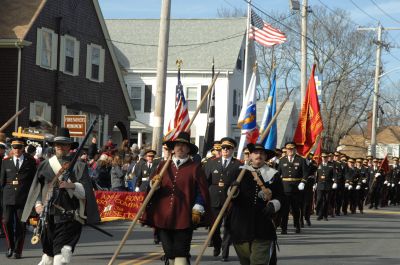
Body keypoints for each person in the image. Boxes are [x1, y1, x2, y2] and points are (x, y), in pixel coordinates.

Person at [21, 128, 100, 265]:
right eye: (57, 144)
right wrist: (38, 203)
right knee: (48, 252)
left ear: (69, 147)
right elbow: (37, 188)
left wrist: (72, 186)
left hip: (69, 215)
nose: (60, 147)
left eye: (63, 144)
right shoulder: (45, 164)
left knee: (60, 254)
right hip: (48, 213)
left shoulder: (80, 166)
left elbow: (86, 192)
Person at [141, 132, 211, 265]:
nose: (180, 148)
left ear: (188, 149)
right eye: (178, 145)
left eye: (184, 146)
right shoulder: (162, 166)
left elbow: (201, 191)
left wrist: (198, 206)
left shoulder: (195, 168)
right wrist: (153, 184)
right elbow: (151, 189)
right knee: (169, 252)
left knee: (181, 252)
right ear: (173, 148)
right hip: (163, 216)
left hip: (184, 216)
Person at [228, 143, 285, 265]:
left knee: (258, 261)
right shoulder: (238, 172)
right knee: (246, 261)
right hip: (240, 225)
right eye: (256, 153)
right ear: (250, 156)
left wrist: (273, 205)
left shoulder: (273, 174)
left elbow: (281, 196)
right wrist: (233, 190)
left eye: (262, 153)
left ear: (266, 157)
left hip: (263, 225)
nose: (259, 155)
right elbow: (228, 197)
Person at [204, 137, 242, 261]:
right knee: (214, 226)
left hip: (231, 199)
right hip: (214, 198)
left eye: (229, 148)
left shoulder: (238, 164)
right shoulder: (211, 162)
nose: (225, 150)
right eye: (223, 148)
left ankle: (225, 252)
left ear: (233, 150)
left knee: (228, 227)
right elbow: (205, 181)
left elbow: (241, 183)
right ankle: (217, 243)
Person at [0, 138, 37, 259]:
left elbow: (34, 181)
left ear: (23, 148)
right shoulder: (6, 162)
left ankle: (18, 250)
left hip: (23, 197)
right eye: (14, 147)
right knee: (6, 222)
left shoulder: (31, 161)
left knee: (21, 224)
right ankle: (10, 246)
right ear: (12, 148)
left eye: (19, 147)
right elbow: (2, 181)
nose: (16, 150)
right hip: (8, 197)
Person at [278, 142, 308, 234]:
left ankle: (297, 226)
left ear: (295, 149)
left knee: (296, 209)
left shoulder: (301, 160)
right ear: (286, 150)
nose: (290, 151)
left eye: (292, 149)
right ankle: (284, 228)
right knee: (285, 210)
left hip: (296, 188)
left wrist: (303, 182)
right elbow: (278, 173)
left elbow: (305, 173)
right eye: (288, 149)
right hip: (285, 188)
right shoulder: (282, 160)